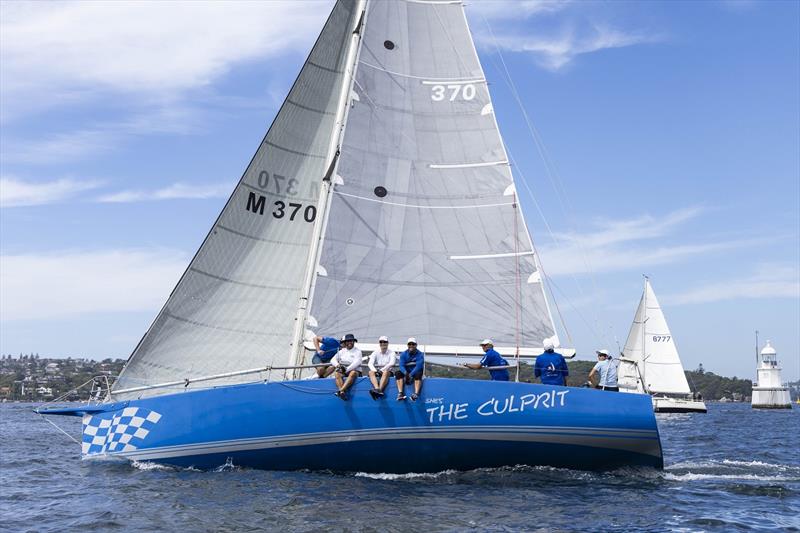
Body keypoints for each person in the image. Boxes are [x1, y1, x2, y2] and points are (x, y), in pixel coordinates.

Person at [330, 333, 362, 401]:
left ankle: (341, 390)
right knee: (336, 373)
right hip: (344, 371)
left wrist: (346, 369)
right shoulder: (342, 351)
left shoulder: (358, 351)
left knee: (352, 372)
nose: (349, 342)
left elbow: (357, 362)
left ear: (354, 342)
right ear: (345, 342)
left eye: (351, 341)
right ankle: (342, 392)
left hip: (355, 371)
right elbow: (332, 360)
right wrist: (338, 365)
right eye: (348, 341)